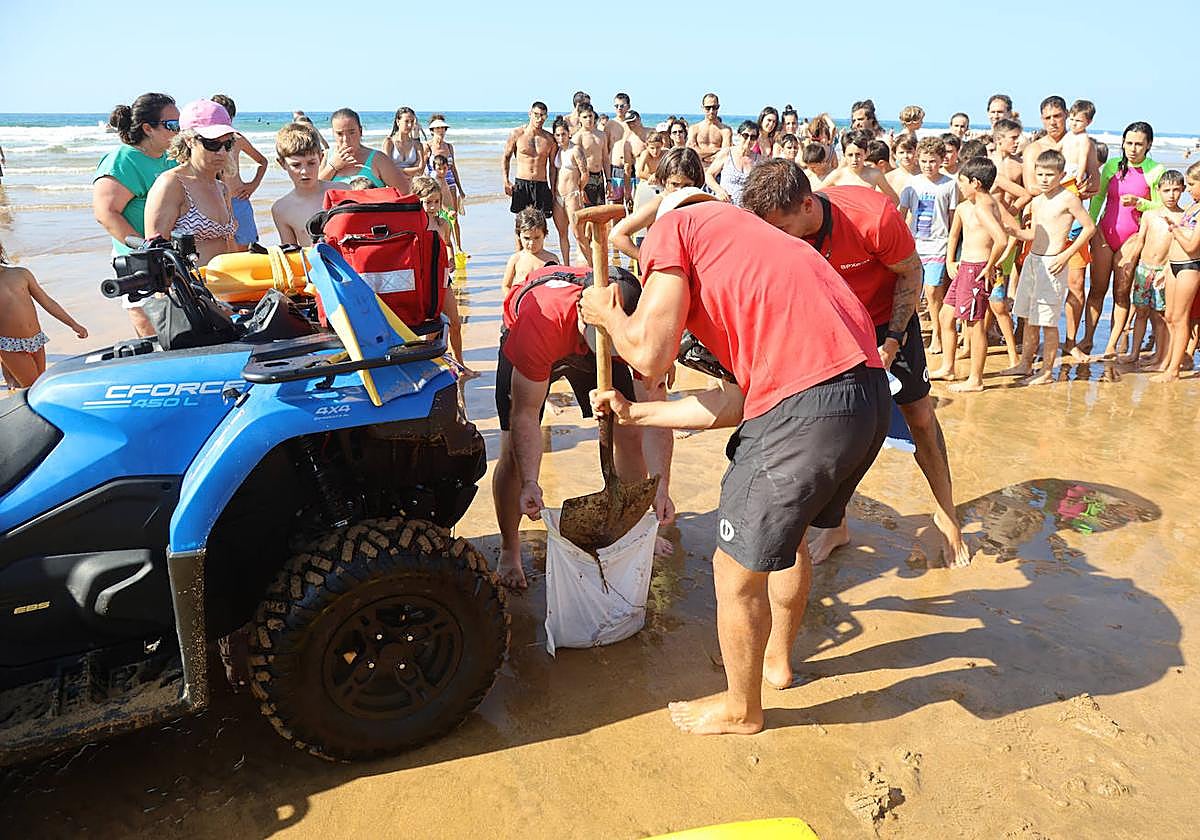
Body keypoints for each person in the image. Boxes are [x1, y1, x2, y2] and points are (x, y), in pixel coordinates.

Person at [581, 183, 888, 735]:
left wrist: (608, 316)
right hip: (866, 400)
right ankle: (776, 663)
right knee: (787, 540)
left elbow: (649, 353)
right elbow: (739, 401)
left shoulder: (679, 228)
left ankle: (741, 708)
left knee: (733, 568)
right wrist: (637, 414)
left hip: (805, 410)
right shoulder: (766, 246)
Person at [742, 159, 971, 569]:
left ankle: (947, 513)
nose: (776, 239)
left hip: (886, 318)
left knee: (919, 415)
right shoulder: (774, 229)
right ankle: (837, 524)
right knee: (833, 427)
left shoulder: (873, 217)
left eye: (783, 228)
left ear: (808, 205)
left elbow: (911, 274)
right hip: (827, 321)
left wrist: (894, 340)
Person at [494, 265, 673, 590]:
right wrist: (532, 482)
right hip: (545, 334)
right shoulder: (542, 319)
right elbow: (526, 415)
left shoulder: (645, 327)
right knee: (513, 455)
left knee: (630, 433)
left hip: (604, 336)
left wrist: (661, 486)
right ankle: (510, 549)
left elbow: (655, 413)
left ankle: (632, 535)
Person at [1000, 149, 1096, 384]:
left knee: (1047, 322)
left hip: (1053, 262)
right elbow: (1035, 232)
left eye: (1049, 175)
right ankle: (1024, 364)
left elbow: (1089, 227)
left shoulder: (1068, 198)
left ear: (1061, 174)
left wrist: (1066, 255)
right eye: (1040, 174)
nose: (1043, 179)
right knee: (1029, 317)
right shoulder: (1038, 200)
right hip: (1033, 260)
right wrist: (1015, 232)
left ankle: (1046, 372)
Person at [93, 92, 179, 337]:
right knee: (153, 335)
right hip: (140, 261)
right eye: (171, 125)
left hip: (171, 259)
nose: (178, 130)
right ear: (148, 128)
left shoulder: (169, 157)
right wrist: (145, 249)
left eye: (180, 124)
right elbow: (106, 213)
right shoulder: (123, 160)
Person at [1086, 121, 1165, 360]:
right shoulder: (1111, 166)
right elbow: (1098, 199)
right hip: (1104, 233)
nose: (1133, 148)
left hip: (1132, 238)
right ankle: (1088, 338)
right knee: (1097, 290)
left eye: (1139, 144)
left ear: (1148, 145)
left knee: (1121, 293)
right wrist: (1090, 228)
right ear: (1122, 142)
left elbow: (1162, 205)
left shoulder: (1155, 170)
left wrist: (1141, 203)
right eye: (1129, 143)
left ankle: (1111, 345)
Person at [929, 157, 1009, 392]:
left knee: (974, 326)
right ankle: (948, 367)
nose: (959, 186)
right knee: (946, 316)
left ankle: (976, 379)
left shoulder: (984, 206)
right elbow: (955, 235)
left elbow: (1001, 239)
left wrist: (990, 265)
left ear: (975, 182)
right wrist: (950, 260)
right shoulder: (971, 205)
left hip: (976, 268)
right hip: (965, 267)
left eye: (962, 182)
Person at [144, 99, 239, 266]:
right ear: (189, 140)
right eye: (212, 144)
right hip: (191, 289)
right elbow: (155, 254)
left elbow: (229, 246)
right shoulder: (172, 184)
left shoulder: (221, 187)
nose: (222, 152)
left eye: (228, 144)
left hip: (226, 287)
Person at [411, 175, 476, 379]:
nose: (432, 207)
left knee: (455, 323)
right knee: (429, 327)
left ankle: (461, 364)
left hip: (442, 279)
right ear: (417, 200)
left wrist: (451, 259)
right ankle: (428, 367)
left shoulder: (443, 223)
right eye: (427, 202)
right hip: (422, 283)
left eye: (436, 202)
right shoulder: (414, 226)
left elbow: (447, 244)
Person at [0, 237, 87, 389]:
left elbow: (48, 302)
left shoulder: (21, 274)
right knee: (34, 388)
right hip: (9, 345)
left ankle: (12, 388)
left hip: (36, 339)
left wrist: (73, 324)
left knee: (40, 384)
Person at [898, 136, 957, 353]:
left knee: (933, 291)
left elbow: (952, 218)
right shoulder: (912, 183)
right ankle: (915, 333)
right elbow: (902, 213)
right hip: (915, 245)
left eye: (932, 161)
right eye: (923, 161)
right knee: (913, 292)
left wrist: (952, 248)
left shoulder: (950, 184)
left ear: (941, 160)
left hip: (938, 245)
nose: (927, 165)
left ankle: (938, 336)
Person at [1126, 169, 1185, 367]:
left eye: (1176, 190)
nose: (1171, 195)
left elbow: (1180, 249)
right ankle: (1134, 352)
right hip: (1143, 269)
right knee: (1141, 311)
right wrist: (1130, 263)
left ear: (1183, 190)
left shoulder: (1183, 218)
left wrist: (1168, 269)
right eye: (1167, 190)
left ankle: (1161, 357)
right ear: (1158, 190)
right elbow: (1140, 241)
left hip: (1164, 271)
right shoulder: (1149, 215)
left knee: (1160, 316)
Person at [1151, 160, 1200, 382]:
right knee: (1170, 316)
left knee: (1180, 319)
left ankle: (1174, 370)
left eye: (1191, 184)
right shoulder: (1193, 206)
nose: (1187, 189)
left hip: (1190, 267)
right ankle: (1171, 360)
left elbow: (1191, 246)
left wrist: (1175, 228)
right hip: (1173, 265)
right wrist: (1165, 268)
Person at [612, 147, 705, 261]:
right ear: (664, 181)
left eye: (687, 185)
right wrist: (648, 261)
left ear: (696, 183)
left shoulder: (698, 201)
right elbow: (617, 235)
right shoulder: (659, 204)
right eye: (674, 184)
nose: (680, 191)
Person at [210, 94, 267, 251]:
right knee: (222, 251)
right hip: (214, 203)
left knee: (244, 251)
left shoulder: (237, 140)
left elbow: (263, 161)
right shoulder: (204, 144)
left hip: (238, 200)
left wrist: (252, 185)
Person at [270, 122, 340, 246]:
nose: (304, 171)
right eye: (296, 165)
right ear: (282, 163)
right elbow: (291, 253)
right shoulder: (281, 209)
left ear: (321, 157)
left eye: (311, 163)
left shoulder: (342, 192)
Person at [320, 108, 404, 190]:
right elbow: (311, 191)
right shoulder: (327, 156)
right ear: (333, 134)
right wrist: (332, 167)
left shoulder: (378, 159)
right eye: (340, 134)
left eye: (352, 132)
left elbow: (404, 192)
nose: (346, 139)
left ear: (360, 131)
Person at [502, 101, 556, 219]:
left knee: (540, 223)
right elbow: (506, 158)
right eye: (536, 114)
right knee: (521, 224)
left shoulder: (549, 139)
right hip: (522, 183)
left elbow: (552, 167)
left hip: (541, 184)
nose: (539, 118)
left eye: (543, 115)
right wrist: (506, 181)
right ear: (530, 114)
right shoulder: (517, 134)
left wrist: (553, 188)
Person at [823, 129, 900, 204]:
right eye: (850, 155)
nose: (855, 159)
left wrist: (881, 215)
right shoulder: (837, 175)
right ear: (844, 155)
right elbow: (817, 195)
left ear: (866, 153)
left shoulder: (875, 174)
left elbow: (894, 199)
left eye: (858, 154)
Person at [500, 208, 560, 296]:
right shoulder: (516, 259)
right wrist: (511, 300)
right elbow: (506, 285)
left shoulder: (551, 259)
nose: (532, 243)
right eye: (527, 238)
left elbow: (559, 285)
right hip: (522, 302)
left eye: (537, 238)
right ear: (519, 236)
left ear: (545, 234)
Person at [550, 117, 585, 265]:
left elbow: (585, 174)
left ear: (568, 133)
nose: (560, 137)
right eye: (557, 135)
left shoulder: (575, 149)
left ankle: (591, 265)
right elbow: (554, 171)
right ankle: (566, 265)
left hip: (572, 195)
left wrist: (579, 190)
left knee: (578, 234)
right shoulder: (557, 151)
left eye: (563, 134)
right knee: (562, 234)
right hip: (558, 196)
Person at [704, 121, 760, 206]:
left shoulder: (760, 160)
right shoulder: (727, 153)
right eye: (745, 136)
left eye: (753, 137)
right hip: (725, 205)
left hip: (747, 208)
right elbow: (709, 175)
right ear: (738, 135)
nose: (748, 140)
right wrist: (720, 191)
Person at [424, 114, 466, 214]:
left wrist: (460, 189)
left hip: (451, 184)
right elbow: (423, 169)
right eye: (438, 128)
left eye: (443, 128)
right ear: (432, 130)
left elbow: (453, 169)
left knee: (453, 216)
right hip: (436, 185)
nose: (441, 131)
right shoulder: (427, 146)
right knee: (438, 215)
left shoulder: (449, 146)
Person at [382, 107, 426, 192]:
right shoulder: (389, 142)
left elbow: (420, 170)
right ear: (398, 121)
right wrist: (410, 172)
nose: (410, 125)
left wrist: (398, 170)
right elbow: (387, 169)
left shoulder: (417, 145)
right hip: (393, 188)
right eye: (406, 121)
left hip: (412, 188)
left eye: (412, 121)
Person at [573, 108, 610, 207]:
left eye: (590, 116)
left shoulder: (601, 135)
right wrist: (580, 187)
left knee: (600, 213)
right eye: (585, 117)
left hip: (599, 177)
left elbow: (605, 159)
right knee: (587, 214)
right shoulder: (578, 137)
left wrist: (609, 181)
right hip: (586, 178)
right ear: (579, 118)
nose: (588, 119)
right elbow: (575, 164)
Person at [687, 93, 732, 167]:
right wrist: (715, 150)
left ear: (718, 107)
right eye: (708, 108)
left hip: (717, 170)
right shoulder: (694, 129)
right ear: (702, 108)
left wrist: (702, 155)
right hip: (699, 169)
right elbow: (692, 151)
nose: (711, 111)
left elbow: (725, 153)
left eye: (714, 107)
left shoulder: (725, 130)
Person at [1062, 100, 1098, 192]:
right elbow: (1058, 147)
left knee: (1069, 194)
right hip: (1064, 167)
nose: (1073, 123)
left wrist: (1080, 176)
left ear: (1088, 122)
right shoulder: (1069, 134)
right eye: (1071, 119)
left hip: (1075, 170)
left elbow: (1083, 157)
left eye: (1078, 121)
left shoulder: (1083, 138)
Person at [430, 155, 463, 252]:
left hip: (449, 210)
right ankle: (447, 260)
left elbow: (447, 196)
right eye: (439, 169)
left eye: (444, 168)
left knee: (449, 237)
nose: (442, 171)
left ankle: (456, 253)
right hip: (442, 212)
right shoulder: (436, 180)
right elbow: (438, 200)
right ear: (434, 168)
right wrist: (448, 211)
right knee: (446, 240)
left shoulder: (443, 178)